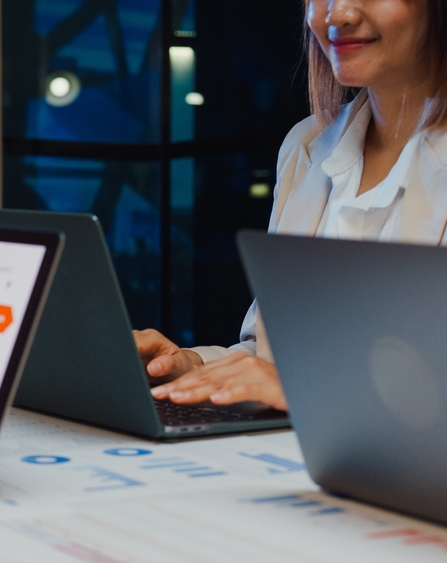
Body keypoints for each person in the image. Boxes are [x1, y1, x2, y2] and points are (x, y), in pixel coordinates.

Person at [135, 0, 447, 411]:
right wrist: (192, 370)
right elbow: (271, 362)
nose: (338, 14)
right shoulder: (305, 145)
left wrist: (309, 390)